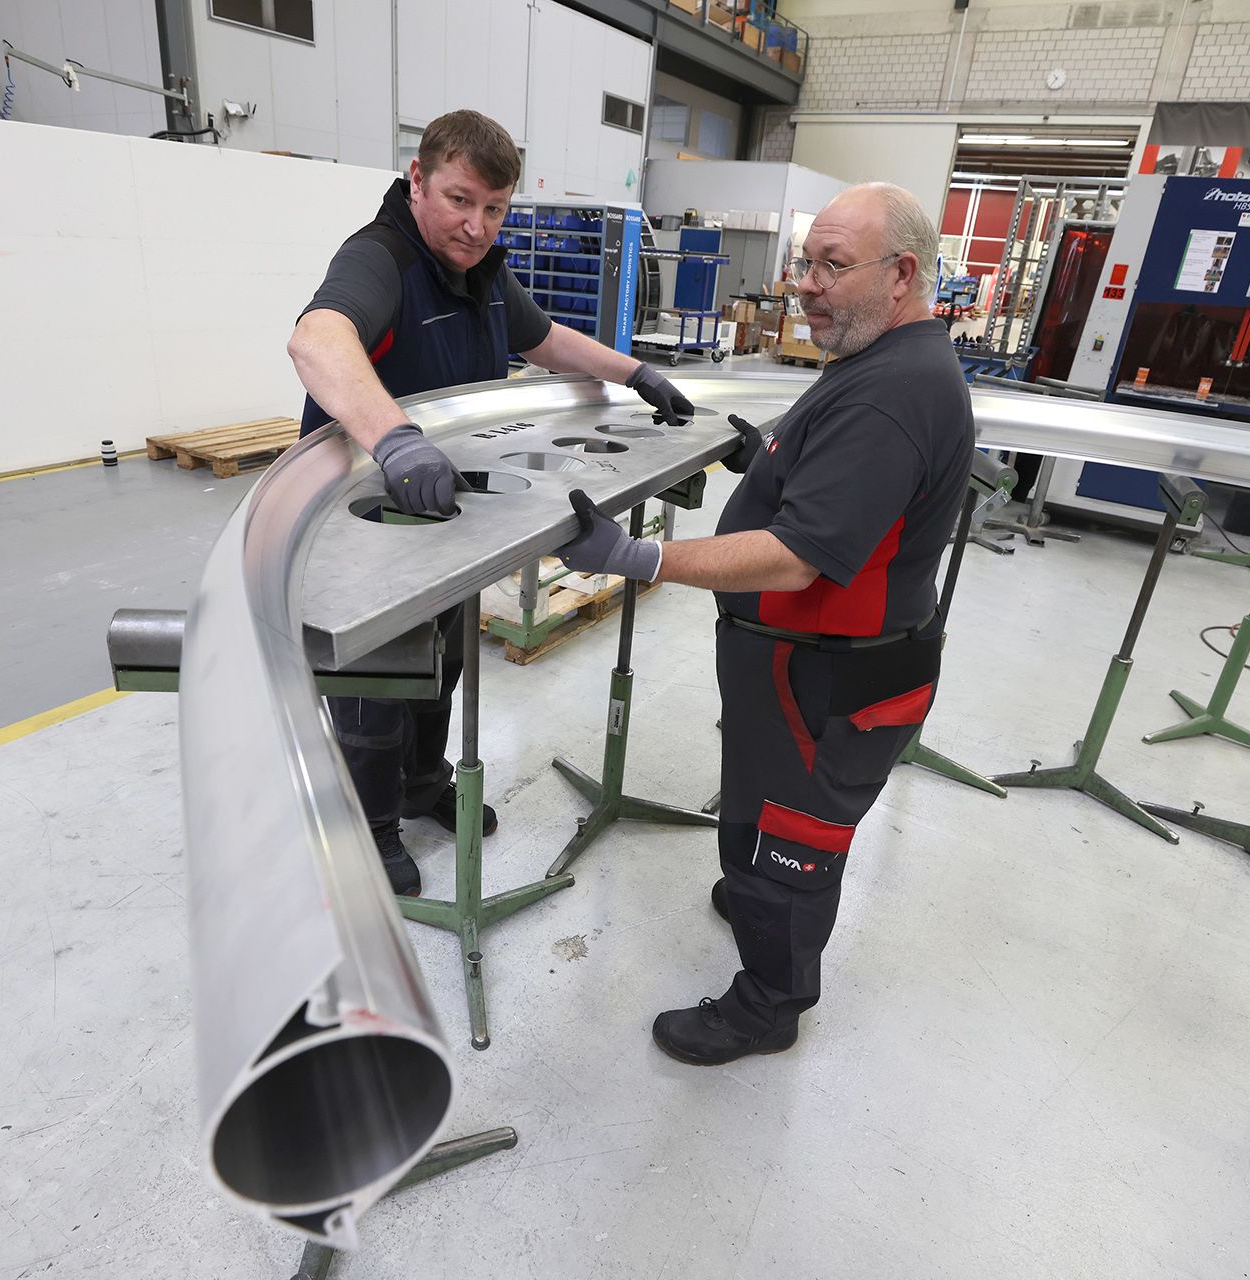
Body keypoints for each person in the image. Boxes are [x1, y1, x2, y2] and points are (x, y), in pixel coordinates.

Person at [555, 182, 974, 1065]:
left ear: (902, 275)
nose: (804, 285)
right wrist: (771, 457)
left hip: (828, 677)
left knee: (793, 834)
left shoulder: (891, 393)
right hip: (798, 664)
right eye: (804, 262)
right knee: (760, 806)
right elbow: (846, 488)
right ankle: (753, 894)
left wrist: (641, 558)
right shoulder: (880, 364)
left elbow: (797, 557)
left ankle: (767, 1003)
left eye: (831, 265)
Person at [287, 109, 696, 897]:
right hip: (370, 521)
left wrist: (634, 371)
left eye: (495, 208)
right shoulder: (379, 259)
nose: (476, 226)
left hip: (447, 515)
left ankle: (420, 786)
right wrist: (396, 439)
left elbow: (544, 340)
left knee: (442, 661)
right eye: (459, 199)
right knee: (375, 683)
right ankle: (366, 827)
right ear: (417, 182)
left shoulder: (479, 273)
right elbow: (317, 339)